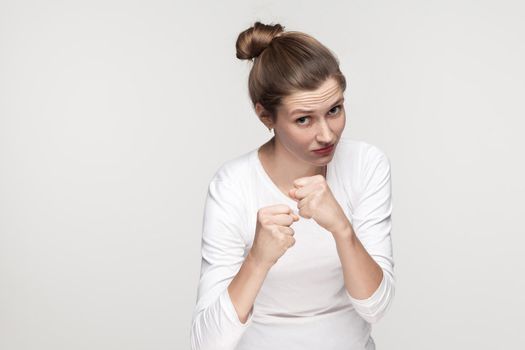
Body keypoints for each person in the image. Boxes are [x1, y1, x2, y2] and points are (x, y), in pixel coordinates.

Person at [190, 22, 395, 350]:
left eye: (334, 110)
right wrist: (258, 259)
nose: (327, 134)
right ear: (265, 116)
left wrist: (342, 228)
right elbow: (207, 343)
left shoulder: (366, 164)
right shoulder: (232, 185)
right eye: (304, 119)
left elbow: (375, 307)